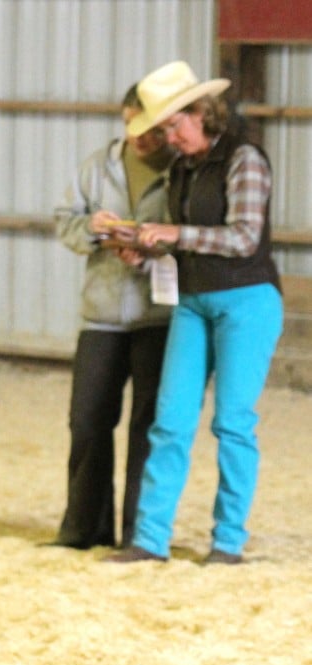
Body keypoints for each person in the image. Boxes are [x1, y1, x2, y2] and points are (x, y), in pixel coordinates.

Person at [107, 61, 283, 564]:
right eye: (163, 128)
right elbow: (187, 244)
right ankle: (150, 538)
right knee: (171, 421)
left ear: (201, 112)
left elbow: (244, 237)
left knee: (232, 422)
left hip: (247, 302)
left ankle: (228, 540)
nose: (170, 136)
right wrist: (143, 248)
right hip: (192, 301)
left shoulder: (244, 159)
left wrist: (175, 235)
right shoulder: (181, 169)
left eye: (174, 124)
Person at [50, 84, 174, 550]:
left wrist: (151, 250)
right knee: (87, 421)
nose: (140, 136)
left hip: (158, 315)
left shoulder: (180, 169)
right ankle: (83, 527)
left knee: (148, 426)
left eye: (150, 128)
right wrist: (94, 231)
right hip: (100, 313)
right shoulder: (98, 165)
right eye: (131, 124)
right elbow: (66, 221)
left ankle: (138, 533)